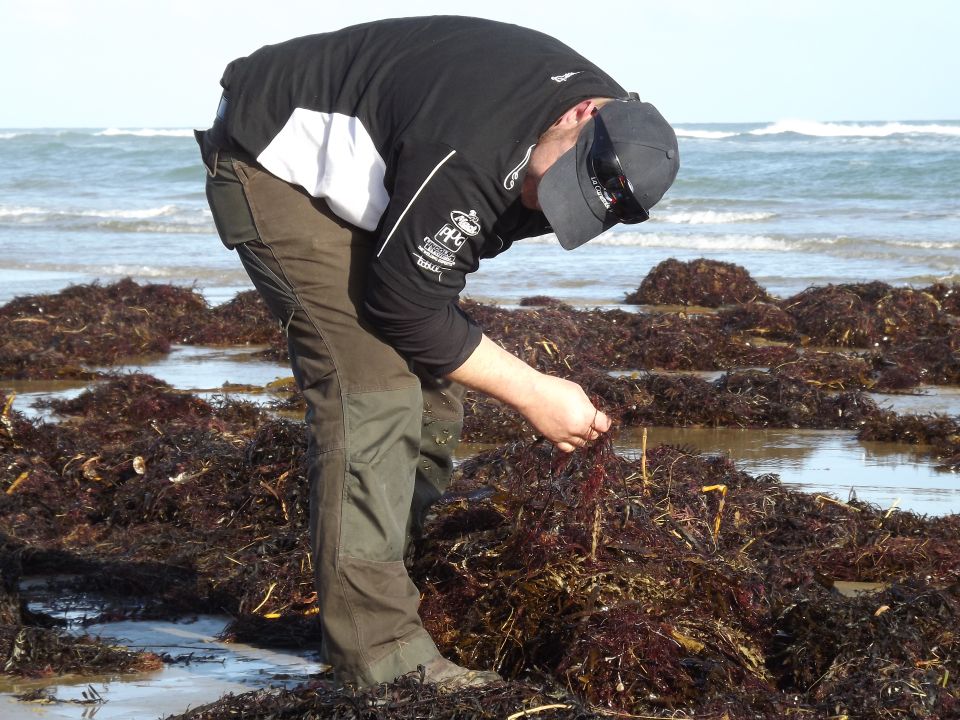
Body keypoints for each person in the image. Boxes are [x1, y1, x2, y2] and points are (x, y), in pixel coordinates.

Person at [196, 15, 679, 691]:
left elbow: (428, 286)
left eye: (570, 208)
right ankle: (382, 658)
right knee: (374, 392)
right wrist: (534, 391)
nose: (543, 205)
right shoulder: (477, 140)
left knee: (434, 389)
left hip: (391, 163)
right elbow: (404, 305)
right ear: (580, 114)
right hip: (274, 158)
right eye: (555, 186)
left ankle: (384, 579)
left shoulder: (609, 130)